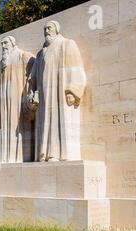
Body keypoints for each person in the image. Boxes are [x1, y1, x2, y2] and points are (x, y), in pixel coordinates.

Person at [29, 21, 87, 162]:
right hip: (43, 95)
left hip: (59, 93)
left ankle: (58, 154)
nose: (46, 31)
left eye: (49, 28)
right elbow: (33, 76)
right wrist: (32, 92)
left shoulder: (66, 44)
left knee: (58, 121)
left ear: (56, 30)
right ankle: (44, 154)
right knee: (44, 123)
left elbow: (76, 67)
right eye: (44, 29)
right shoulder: (40, 54)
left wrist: (73, 91)